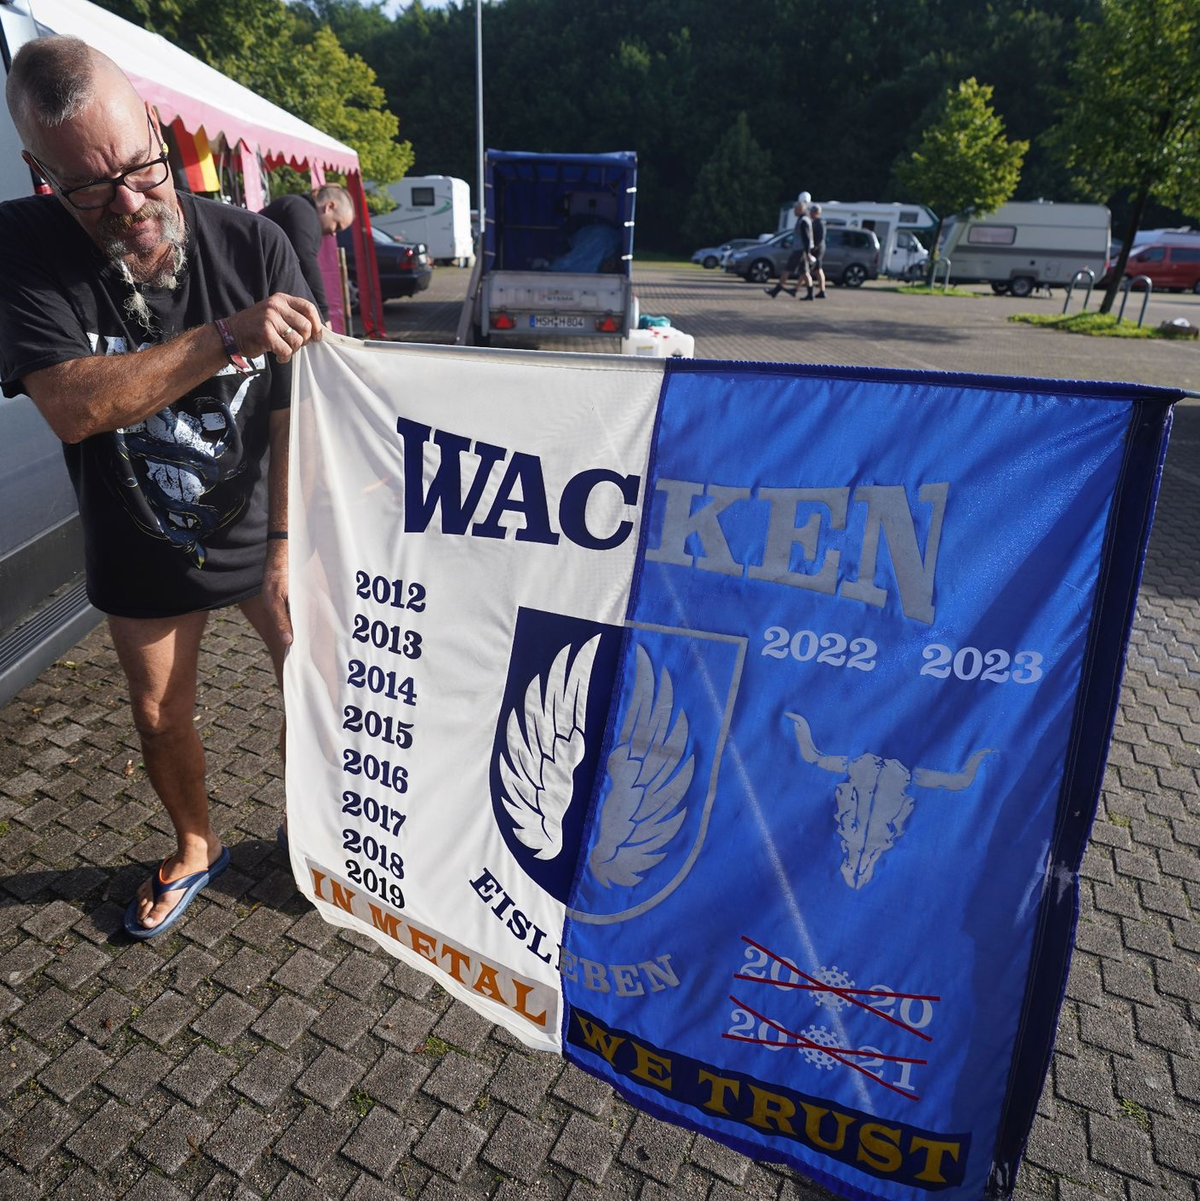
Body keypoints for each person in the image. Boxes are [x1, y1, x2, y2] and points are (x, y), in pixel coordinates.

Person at [0, 36, 324, 938]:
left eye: (142, 169)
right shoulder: (23, 246)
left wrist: (288, 544)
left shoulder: (252, 243)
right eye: (92, 190)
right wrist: (226, 337)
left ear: (157, 123)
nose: (133, 206)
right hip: (139, 531)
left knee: (313, 682)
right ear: (41, 173)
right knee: (156, 712)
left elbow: (300, 403)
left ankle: (314, 836)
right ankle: (196, 844)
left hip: (268, 522)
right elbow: (72, 404)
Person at [260, 184, 355, 323]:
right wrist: (323, 315)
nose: (334, 234)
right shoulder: (303, 211)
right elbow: (305, 260)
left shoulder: (298, 207)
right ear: (329, 206)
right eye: (337, 225)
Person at [767, 195, 815, 300]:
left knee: (787, 269)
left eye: (795, 210)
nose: (794, 212)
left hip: (800, 250)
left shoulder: (803, 221)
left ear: (800, 209)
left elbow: (806, 238)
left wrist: (807, 253)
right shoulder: (804, 219)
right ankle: (811, 293)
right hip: (801, 249)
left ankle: (777, 290)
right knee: (805, 272)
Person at [809, 204, 828, 299]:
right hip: (818, 248)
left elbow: (820, 237)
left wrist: (815, 247)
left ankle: (821, 290)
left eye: (812, 212)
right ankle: (821, 290)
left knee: (815, 269)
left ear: (816, 212)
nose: (810, 213)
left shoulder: (819, 223)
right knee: (817, 269)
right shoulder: (816, 222)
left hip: (818, 249)